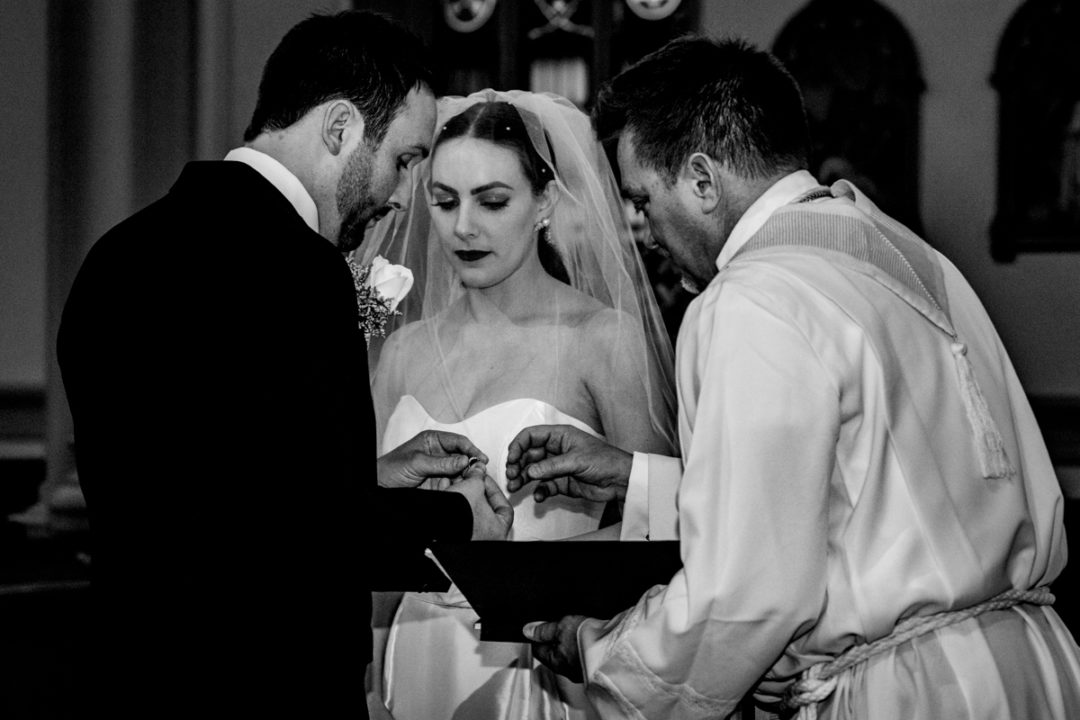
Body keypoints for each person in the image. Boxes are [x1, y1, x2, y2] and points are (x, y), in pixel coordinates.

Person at [505, 36, 1080, 720]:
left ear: (701, 180)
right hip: (1034, 665)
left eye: (643, 200)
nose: (644, 231)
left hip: (911, 693)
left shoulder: (752, 297)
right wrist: (638, 480)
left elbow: (747, 594)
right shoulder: (912, 257)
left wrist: (599, 653)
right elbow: (873, 490)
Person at [57, 11, 512, 719]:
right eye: (406, 158)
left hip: (130, 674)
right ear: (339, 130)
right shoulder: (300, 270)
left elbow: (217, 487)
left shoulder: (115, 255)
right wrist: (461, 522)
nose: (400, 193)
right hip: (262, 682)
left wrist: (370, 478)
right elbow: (317, 535)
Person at [358, 90, 679, 720]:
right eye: (445, 201)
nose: (463, 227)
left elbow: (661, 532)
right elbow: (362, 533)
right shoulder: (403, 351)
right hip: (412, 654)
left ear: (545, 204)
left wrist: (521, 571)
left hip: (539, 665)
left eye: (492, 201)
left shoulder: (604, 340)